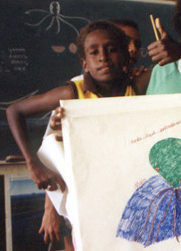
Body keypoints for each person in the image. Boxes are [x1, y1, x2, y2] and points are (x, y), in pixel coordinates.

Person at [6, 20, 140, 249]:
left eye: (111, 50)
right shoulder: (73, 93)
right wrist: (33, 163)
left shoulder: (139, 87)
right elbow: (14, 110)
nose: (103, 57)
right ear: (84, 63)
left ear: (126, 57)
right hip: (85, 201)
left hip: (126, 196)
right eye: (94, 52)